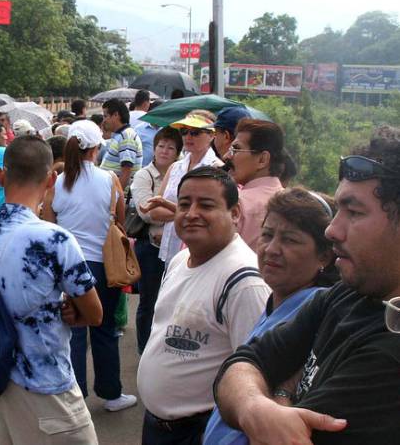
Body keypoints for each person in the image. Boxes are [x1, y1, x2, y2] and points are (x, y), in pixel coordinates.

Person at [213, 136, 400, 444]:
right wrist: (254, 407)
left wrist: (276, 396)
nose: (332, 230)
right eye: (338, 209)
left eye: (354, 212)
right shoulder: (348, 294)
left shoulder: (389, 352)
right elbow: (242, 361)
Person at [0, 135, 102, 444]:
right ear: (52, 178)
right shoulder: (55, 239)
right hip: (44, 383)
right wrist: (72, 310)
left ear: (0, 175)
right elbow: (95, 314)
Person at [137, 166, 270, 445]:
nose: (191, 213)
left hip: (200, 432)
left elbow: (258, 375)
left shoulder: (244, 282)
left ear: (235, 214)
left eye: (206, 205)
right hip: (159, 427)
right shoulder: (178, 261)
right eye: (184, 204)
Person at [203, 187, 338, 445]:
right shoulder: (277, 301)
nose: (272, 249)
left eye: (290, 240)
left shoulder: (316, 311)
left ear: (324, 255)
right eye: (267, 235)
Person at [42, 120, 138, 413]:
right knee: (105, 329)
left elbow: (48, 222)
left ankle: (74, 394)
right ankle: (111, 394)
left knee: (71, 333)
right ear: (97, 148)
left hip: (65, 267)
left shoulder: (57, 182)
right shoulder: (110, 179)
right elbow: (120, 220)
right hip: (102, 265)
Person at [130, 127, 182, 354]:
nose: (164, 151)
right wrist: (184, 213)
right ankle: (144, 350)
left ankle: (163, 350)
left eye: (170, 147)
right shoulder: (144, 175)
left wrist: (170, 212)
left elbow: (161, 210)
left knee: (171, 303)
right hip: (149, 248)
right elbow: (147, 212)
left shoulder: (181, 173)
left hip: (175, 248)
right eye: (161, 145)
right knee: (148, 302)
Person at [145, 112, 221, 265]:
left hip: (197, 250)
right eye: (184, 131)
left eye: (195, 132)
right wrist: (184, 213)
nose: (188, 137)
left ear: (212, 135)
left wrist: (171, 210)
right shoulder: (175, 167)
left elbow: (210, 215)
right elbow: (154, 210)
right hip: (170, 248)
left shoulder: (216, 169)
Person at [223, 119, 286, 252]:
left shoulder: (237, 202)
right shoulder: (289, 203)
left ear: (262, 159)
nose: (226, 156)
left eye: (236, 149)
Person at [99, 98, 143, 189]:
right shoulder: (120, 135)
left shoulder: (127, 137)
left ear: (116, 115)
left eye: (105, 116)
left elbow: (126, 173)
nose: (103, 121)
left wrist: (116, 197)